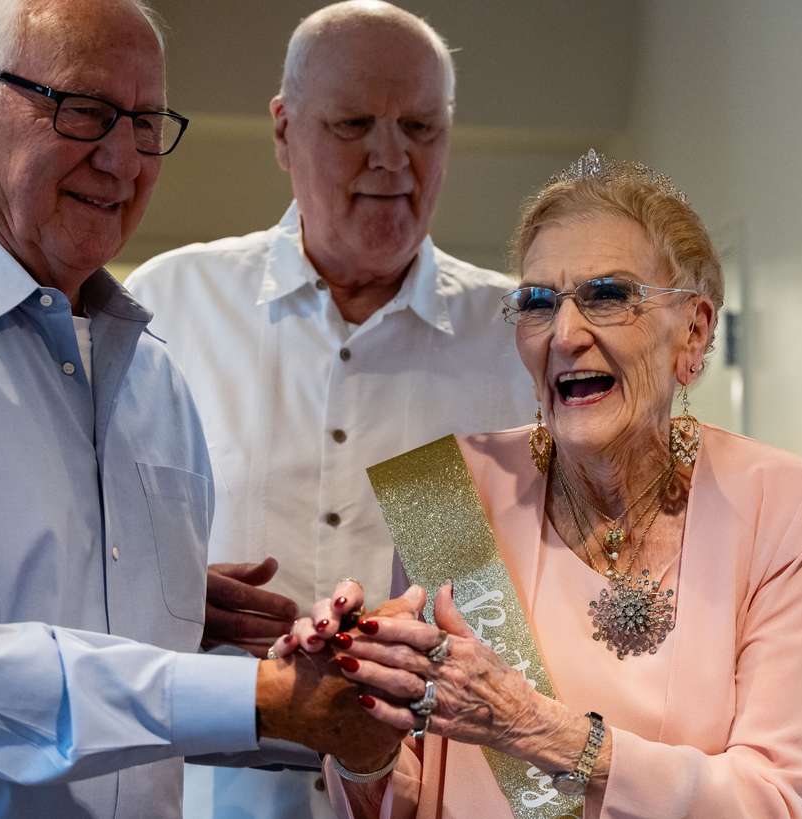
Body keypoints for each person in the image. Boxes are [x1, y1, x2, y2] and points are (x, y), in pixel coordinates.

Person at [0, 2, 410, 817]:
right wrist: (257, 695)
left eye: (147, 124)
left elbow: (136, 689)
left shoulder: (151, 372)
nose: (121, 159)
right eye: (84, 111)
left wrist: (345, 697)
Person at [278, 151, 802, 817]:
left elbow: (771, 801)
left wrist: (536, 729)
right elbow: (409, 801)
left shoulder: (785, 505)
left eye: (608, 296)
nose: (566, 334)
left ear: (693, 330)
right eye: (539, 303)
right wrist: (357, 731)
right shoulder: (445, 495)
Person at [124, 3, 534, 815]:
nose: (393, 157)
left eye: (422, 125)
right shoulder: (166, 307)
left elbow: (548, 598)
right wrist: (164, 597)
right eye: (354, 124)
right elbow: (91, 561)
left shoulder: (517, 340)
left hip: (436, 796)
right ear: (283, 129)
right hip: (208, 794)